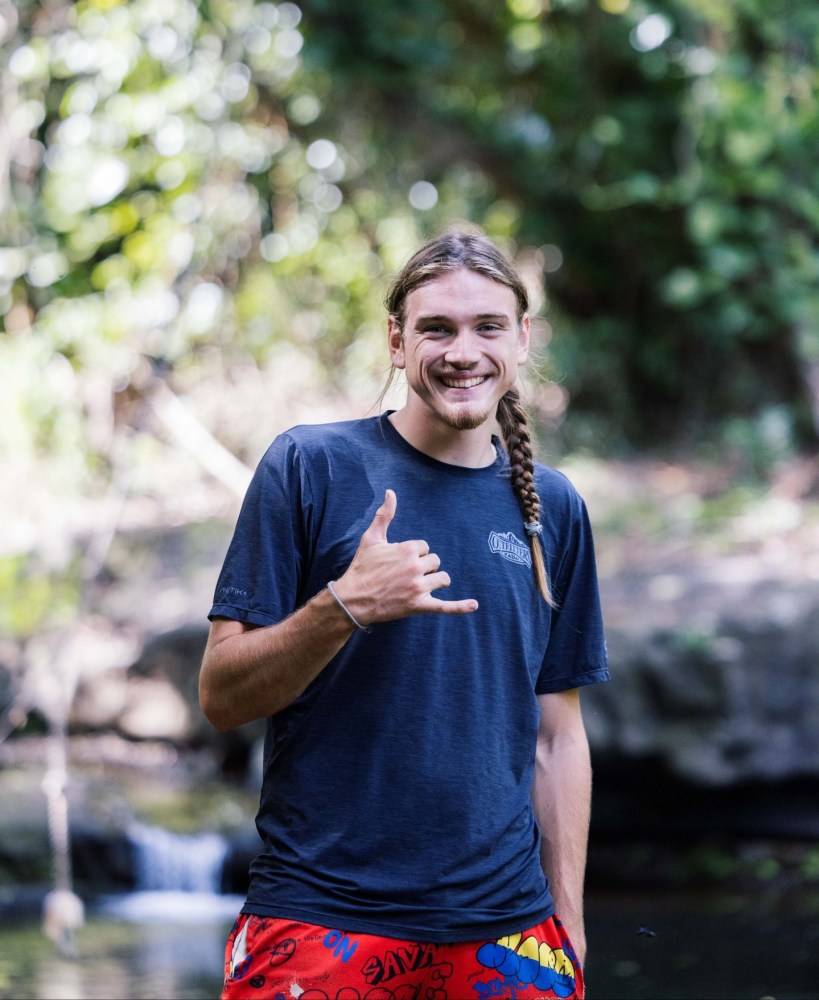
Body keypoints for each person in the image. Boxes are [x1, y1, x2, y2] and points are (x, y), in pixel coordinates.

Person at [199, 227, 609, 1000]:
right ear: (396, 341)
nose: (464, 351)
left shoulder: (552, 509)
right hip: (320, 926)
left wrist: (567, 926)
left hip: (510, 939)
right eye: (436, 328)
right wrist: (342, 607)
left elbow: (557, 737)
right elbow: (222, 696)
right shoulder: (310, 467)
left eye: (487, 327)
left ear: (521, 340)